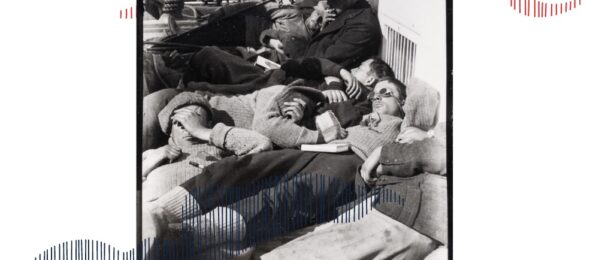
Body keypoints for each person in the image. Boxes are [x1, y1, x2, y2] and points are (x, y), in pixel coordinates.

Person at [142, 79, 408, 254]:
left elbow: (423, 111)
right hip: (319, 150)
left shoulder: (406, 126)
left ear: (404, 104)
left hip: (354, 164)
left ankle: (190, 234)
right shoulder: (357, 113)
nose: (378, 96)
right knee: (248, 167)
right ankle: (162, 211)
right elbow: (318, 113)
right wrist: (303, 114)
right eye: (376, 92)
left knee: (290, 197)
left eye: (389, 93)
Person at [143, 54, 395, 151]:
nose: (354, 67)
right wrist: (339, 74)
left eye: (359, 66)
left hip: (274, 100)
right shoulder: (338, 80)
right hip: (276, 90)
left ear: (371, 79)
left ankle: (170, 81)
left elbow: (344, 117)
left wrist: (309, 109)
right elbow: (300, 63)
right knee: (214, 67)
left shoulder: (360, 103)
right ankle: (171, 80)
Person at [142, 92, 274, 201]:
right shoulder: (152, 154)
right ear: (170, 130)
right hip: (151, 211)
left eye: (195, 118)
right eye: (179, 121)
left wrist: (202, 132)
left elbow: (263, 144)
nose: (186, 126)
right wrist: (151, 161)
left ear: (208, 124)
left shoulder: (222, 148)